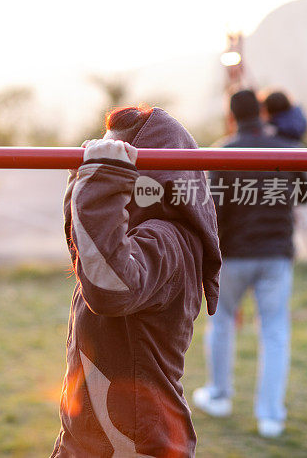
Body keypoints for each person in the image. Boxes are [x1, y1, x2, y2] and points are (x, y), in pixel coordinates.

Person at [51, 106, 222, 457]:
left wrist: (102, 181)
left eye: (122, 166)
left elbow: (107, 290)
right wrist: (82, 181)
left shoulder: (167, 241)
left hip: (137, 444)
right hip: (89, 439)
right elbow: (88, 257)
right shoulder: (135, 235)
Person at [193, 90, 307, 438]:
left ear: (231, 115)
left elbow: (212, 207)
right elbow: (306, 195)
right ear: (261, 113)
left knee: (222, 323)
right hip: (276, 254)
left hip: (232, 254)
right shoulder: (289, 148)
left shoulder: (222, 151)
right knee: (275, 331)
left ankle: (219, 396)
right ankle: (271, 417)